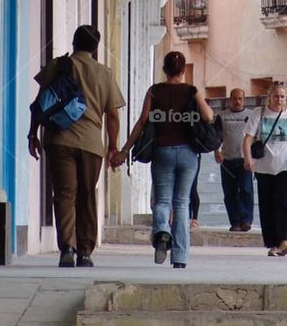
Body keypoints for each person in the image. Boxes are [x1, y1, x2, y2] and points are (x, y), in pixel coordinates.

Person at [28, 25, 123, 269]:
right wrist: (113, 146)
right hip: (91, 144)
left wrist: (32, 134)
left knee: (64, 194)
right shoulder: (104, 73)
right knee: (87, 195)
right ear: (95, 47)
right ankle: (85, 252)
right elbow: (112, 115)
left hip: (59, 140)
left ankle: (67, 249)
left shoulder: (57, 66)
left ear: (73, 43)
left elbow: (40, 103)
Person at [118, 51, 214, 268]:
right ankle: (180, 258)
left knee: (162, 201)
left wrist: (125, 149)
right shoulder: (192, 91)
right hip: (189, 154)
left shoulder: (154, 91)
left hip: (163, 152)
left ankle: (162, 230)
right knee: (182, 203)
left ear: (165, 69)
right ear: (182, 70)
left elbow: (142, 122)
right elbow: (208, 117)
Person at [243, 82, 287, 256]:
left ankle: (285, 240)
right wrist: (248, 158)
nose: (279, 100)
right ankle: (273, 243)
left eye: (282, 96)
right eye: (276, 96)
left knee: (283, 203)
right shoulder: (259, 113)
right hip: (264, 166)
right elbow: (248, 139)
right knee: (267, 205)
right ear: (269, 97)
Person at [214, 88, 254, 231]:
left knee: (246, 189)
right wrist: (216, 151)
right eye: (235, 98)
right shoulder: (222, 116)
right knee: (230, 192)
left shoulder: (251, 115)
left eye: (240, 98)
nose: (237, 101)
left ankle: (246, 220)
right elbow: (216, 136)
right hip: (227, 160)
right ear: (230, 99)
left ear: (244, 100)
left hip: (245, 160)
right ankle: (235, 222)